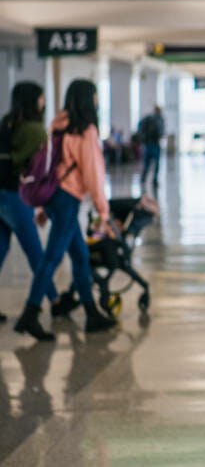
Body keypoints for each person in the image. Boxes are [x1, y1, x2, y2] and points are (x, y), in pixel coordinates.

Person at [14, 79, 117, 341]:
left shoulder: (57, 127)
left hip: (54, 198)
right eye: (94, 95)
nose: (96, 100)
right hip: (68, 199)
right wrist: (102, 211)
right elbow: (93, 173)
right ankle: (30, 312)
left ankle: (91, 312)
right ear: (88, 99)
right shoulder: (85, 131)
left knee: (80, 256)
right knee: (53, 257)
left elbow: (49, 168)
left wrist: (44, 208)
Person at [0, 82, 74, 323]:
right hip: (15, 196)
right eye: (42, 98)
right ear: (34, 101)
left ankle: (54, 299)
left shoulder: (6, 124)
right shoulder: (34, 130)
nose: (44, 102)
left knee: (1, 250)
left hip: (1, 194)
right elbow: (39, 167)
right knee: (36, 252)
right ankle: (53, 301)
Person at [138, 106, 164, 187]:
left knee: (147, 163)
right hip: (155, 143)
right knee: (156, 163)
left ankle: (143, 178)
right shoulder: (159, 119)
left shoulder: (148, 118)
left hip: (148, 144)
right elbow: (161, 132)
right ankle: (154, 180)